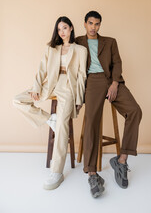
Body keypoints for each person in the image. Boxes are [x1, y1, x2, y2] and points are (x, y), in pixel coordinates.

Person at [13, 16, 88, 190]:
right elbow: (41, 70)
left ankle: (57, 172)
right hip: (50, 85)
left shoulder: (80, 50)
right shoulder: (51, 49)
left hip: (68, 88)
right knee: (18, 100)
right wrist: (37, 87)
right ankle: (48, 119)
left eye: (64, 28)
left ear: (70, 28)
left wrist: (79, 99)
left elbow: (83, 76)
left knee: (62, 126)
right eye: (59, 29)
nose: (62, 32)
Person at [75, 11, 142, 198]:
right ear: (84, 23)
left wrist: (114, 83)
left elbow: (117, 63)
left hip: (112, 80)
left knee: (135, 111)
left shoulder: (110, 41)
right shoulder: (78, 42)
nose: (93, 27)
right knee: (91, 122)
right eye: (90, 23)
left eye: (97, 24)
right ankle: (92, 173)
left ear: (100, 25)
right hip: (92, 82)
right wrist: (77, 96)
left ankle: (121, 161)